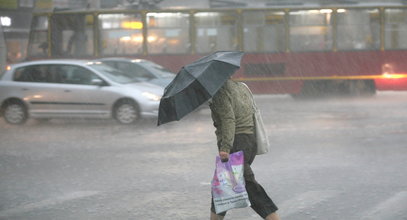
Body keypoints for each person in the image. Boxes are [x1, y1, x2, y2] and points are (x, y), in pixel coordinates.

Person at [209, 79, 280, 220]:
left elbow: (229, 119)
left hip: (235, 143)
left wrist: (225, 147)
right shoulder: (242, 87)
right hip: (249, 140)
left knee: (249, 186)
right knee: (224, 186)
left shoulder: (220, 92)